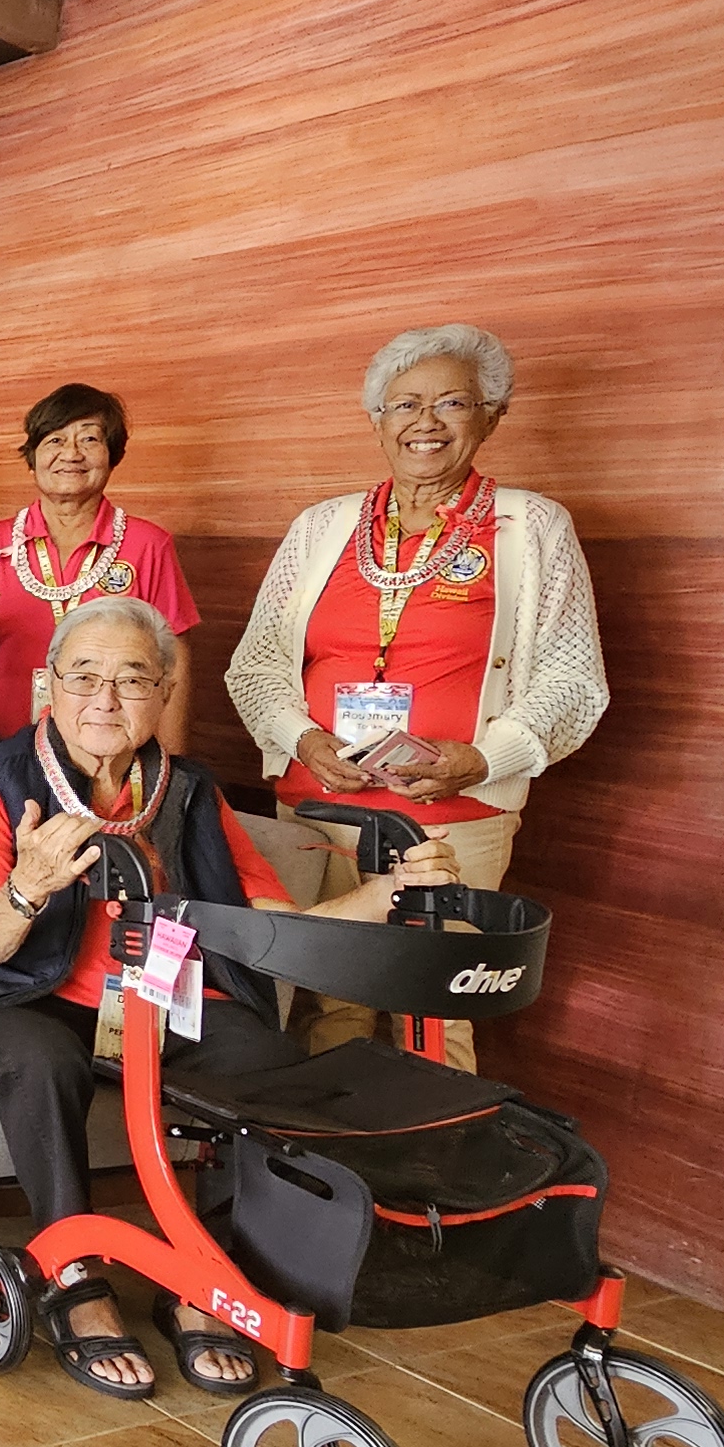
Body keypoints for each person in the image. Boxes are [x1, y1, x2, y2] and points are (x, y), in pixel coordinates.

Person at [0, 597, 462, 1397]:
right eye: (85, 677)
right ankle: (75, 1273)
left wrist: (390, 892)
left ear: (165, 694)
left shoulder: (188, 791)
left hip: (161, 996)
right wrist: (28, 884)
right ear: (49, 687)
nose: (105, 698)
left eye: (133, 679)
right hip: (26, 990)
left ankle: (199, 1282)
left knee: (268, 1058)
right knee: (40, 1061)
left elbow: (277, 925)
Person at [222, 323, 605, 1070]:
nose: (425, 423)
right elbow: (257, 664)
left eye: (452, 402)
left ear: (492, 415)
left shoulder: (531, 527)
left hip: (454, 818)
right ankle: (326, 1172)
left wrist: (484, 757)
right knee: (324, 999)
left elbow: (572, 676)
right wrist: (302, 739)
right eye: (403, 405)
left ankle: (430, 1171)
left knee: (436, 1007)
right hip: (320, 808)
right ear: (376, 421)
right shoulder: (321, 527)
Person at [0, 384, 200, 742]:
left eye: (89, 440)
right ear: (32, 457)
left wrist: (170, 766)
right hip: (6, 747)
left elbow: (175, 661)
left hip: (111, 748)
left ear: (112, 456)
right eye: (54, 440)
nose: (71, 453)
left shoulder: (148, 545)